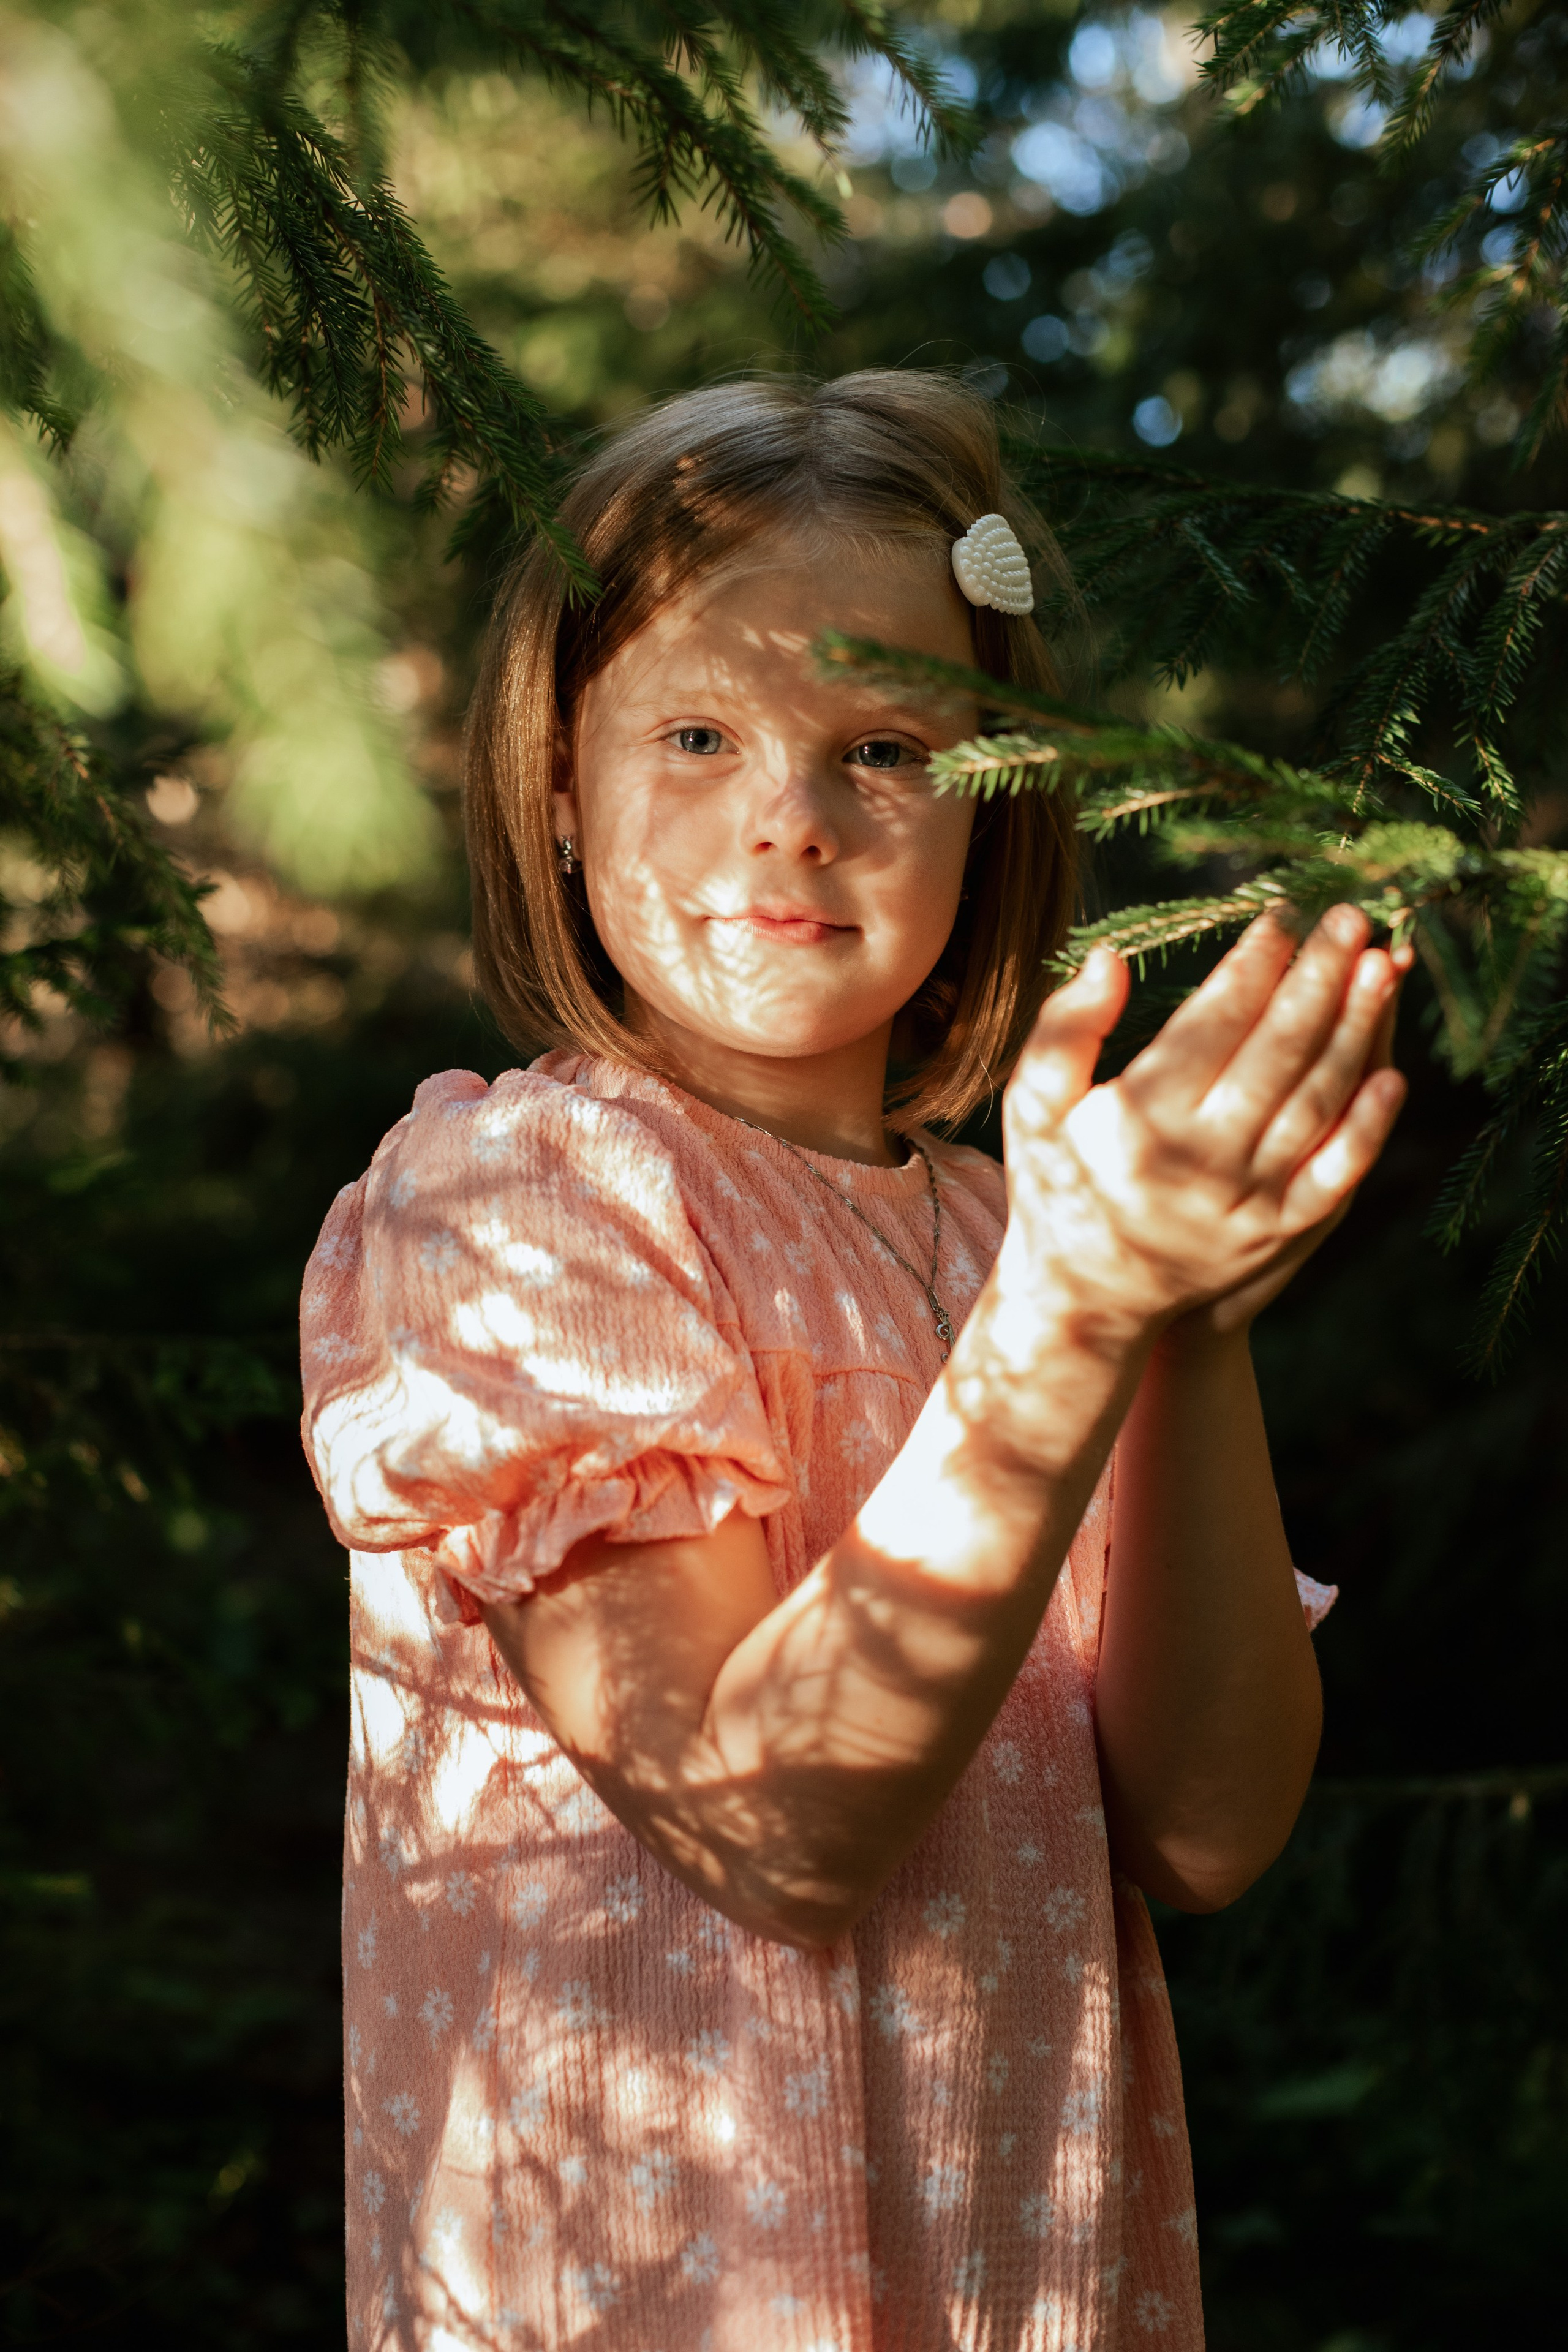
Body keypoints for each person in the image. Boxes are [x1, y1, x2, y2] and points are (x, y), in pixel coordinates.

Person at [300, 372, 1408, 2352]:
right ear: (557, 775)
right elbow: (767, 1825)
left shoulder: (1017, 1227)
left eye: (884, 744)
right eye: (699, 731)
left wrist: (1179, 1324)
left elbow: (1204, 1828)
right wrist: (1077, 1311)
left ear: (997, 806)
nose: (788, 821)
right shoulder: (520, 1193)